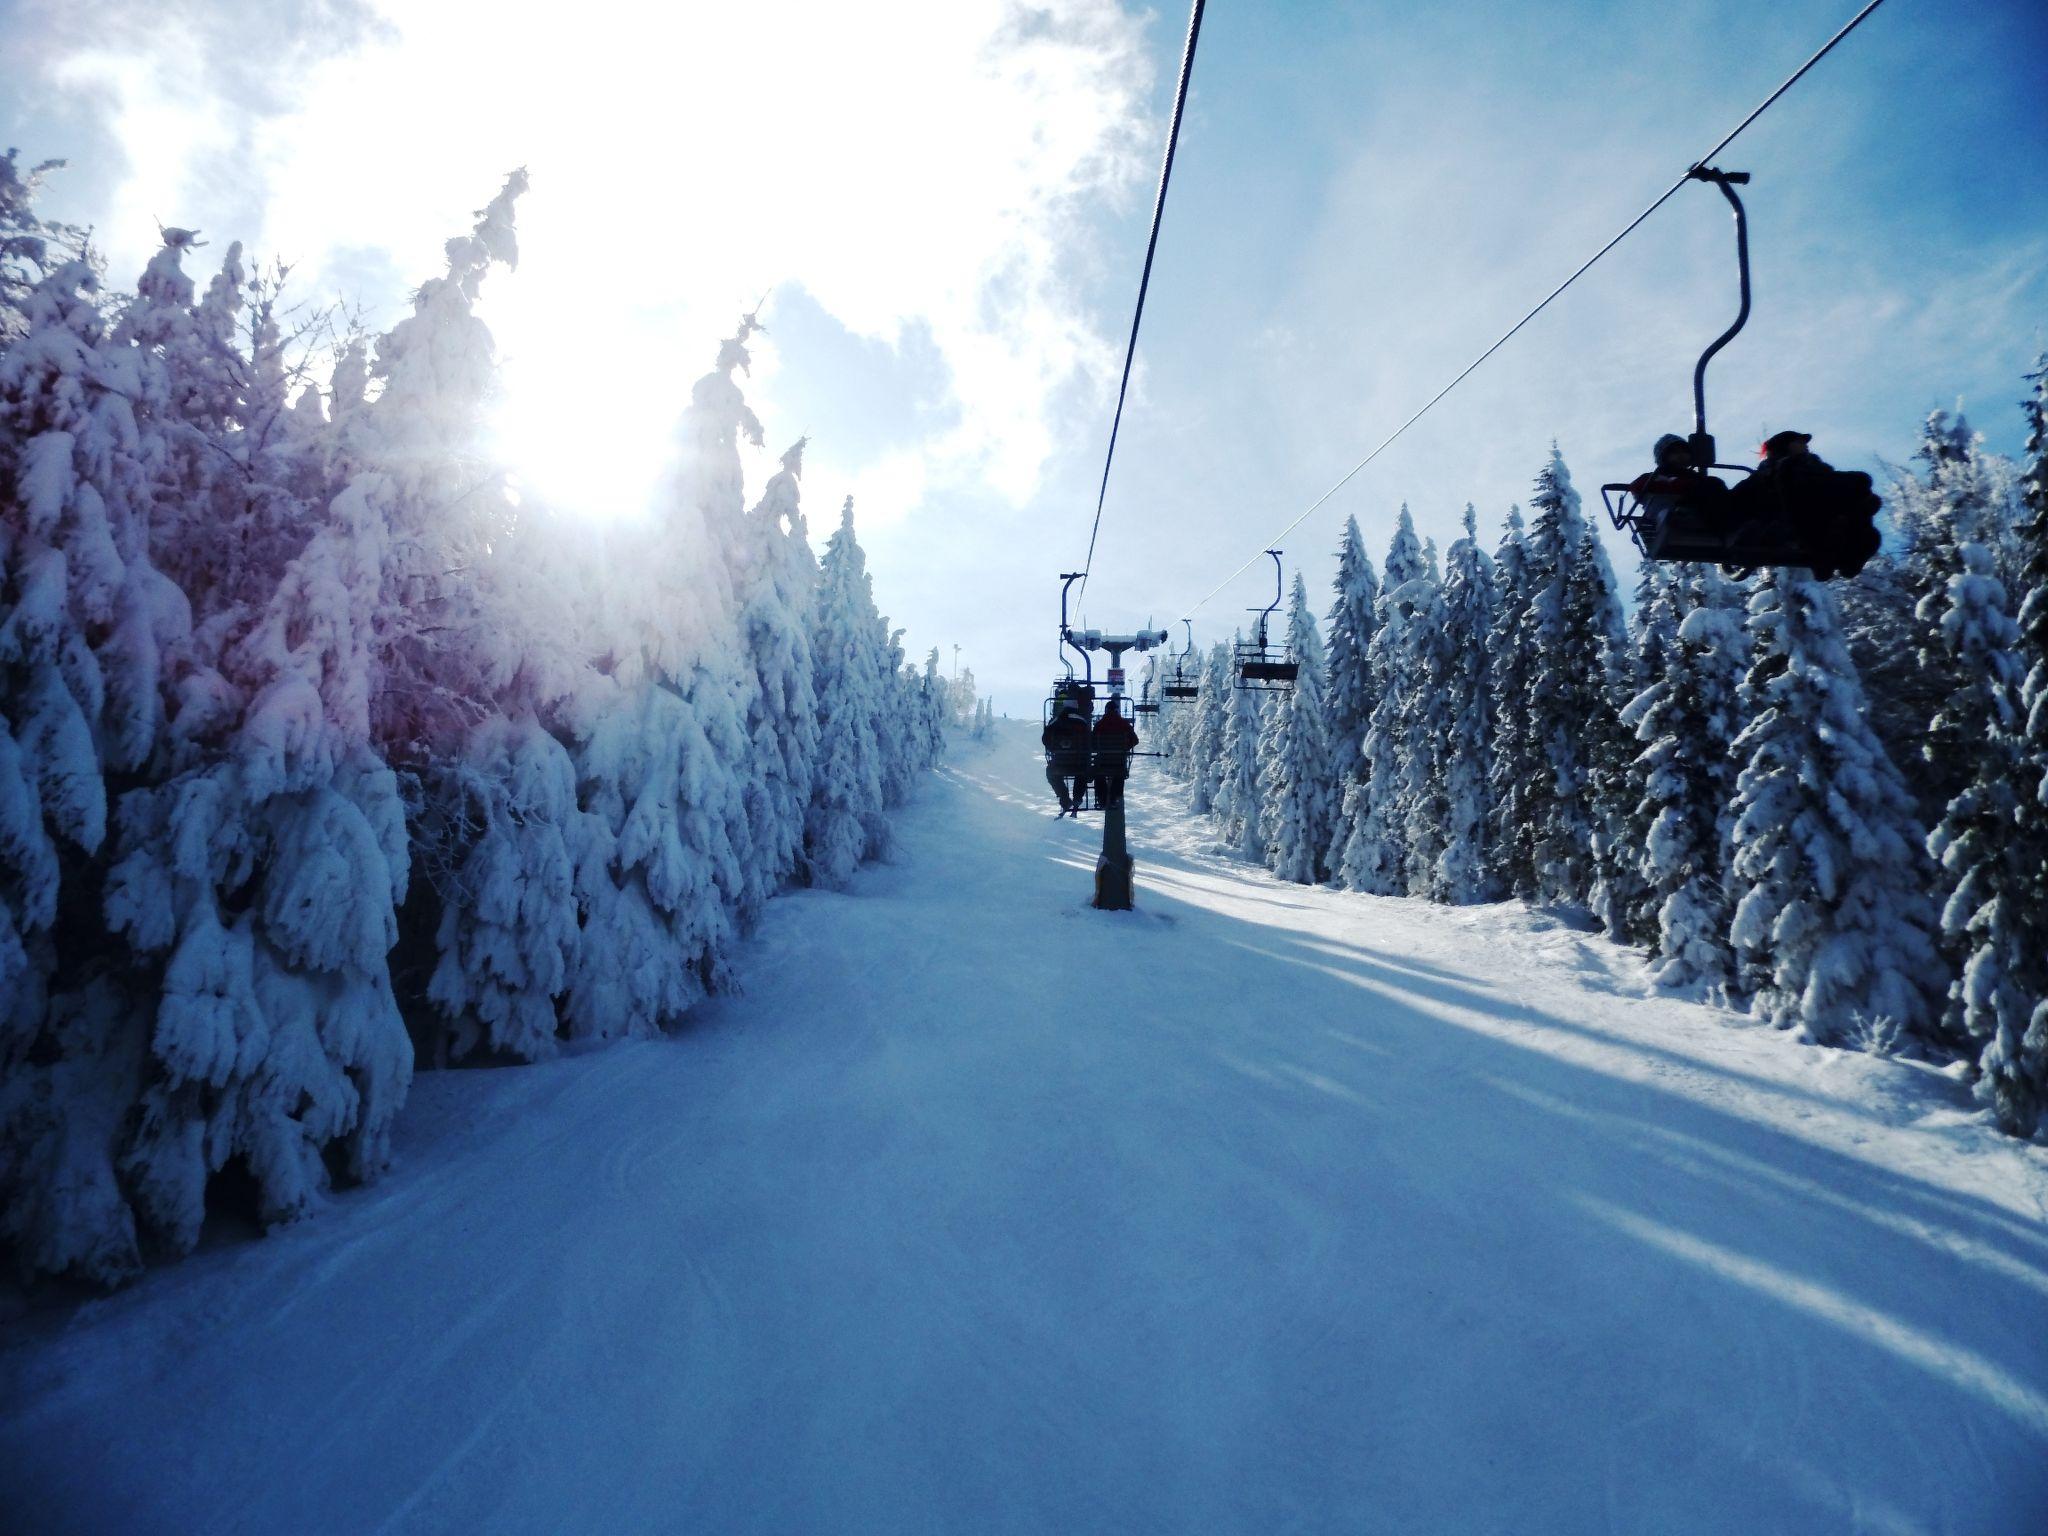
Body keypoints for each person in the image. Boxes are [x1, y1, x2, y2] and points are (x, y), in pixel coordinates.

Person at [1627, 433, 1731, 553]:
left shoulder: (1696, 478)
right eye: (1674, 452)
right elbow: (1637, 487)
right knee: (1710, 485)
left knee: (1732, 486)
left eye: (1684, 451)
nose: (1681, 455)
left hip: (1701, 508)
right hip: (1674, 512)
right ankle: (1725, 526)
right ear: (1664, 457)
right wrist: (1682, 485)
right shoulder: (1655, 477)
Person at [1090, 697, 1140, 809]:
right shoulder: (1124, 724)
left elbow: (1092, 743)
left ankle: (1102, 799)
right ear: (1116, 711)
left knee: (1098, 774)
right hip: (1119, 761)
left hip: (1102, 761)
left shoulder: (1099, 725)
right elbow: (1135, 740)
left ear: (1106, 710)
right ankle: (1114, 797)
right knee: (1119, 773)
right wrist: (1124, 748)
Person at [1042, 702, 1090, 816]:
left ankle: (1064, 798)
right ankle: (1077, 797)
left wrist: (1053, 748)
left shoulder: (1056, 721)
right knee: (1082, 773)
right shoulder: (1082, 722)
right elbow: (1089, 741)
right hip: (1078, 762)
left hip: (1060, 762)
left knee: (1051, 773)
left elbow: (1045, 738)